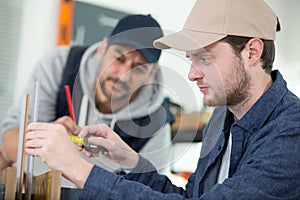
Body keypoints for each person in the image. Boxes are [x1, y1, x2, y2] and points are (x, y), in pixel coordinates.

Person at [24, 0, 300, 199]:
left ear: (252, 52)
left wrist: (79, 170)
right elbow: (190, 197)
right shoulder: (221, 117)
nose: (192, 75)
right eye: (192, 60)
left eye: (204, 58)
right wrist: (130, 161)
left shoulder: (291, 133)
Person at [0, 14, 173, 176]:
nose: (123, 75)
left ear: (152, 74)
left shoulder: (156, 124)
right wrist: (45, 136)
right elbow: (8, 146)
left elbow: (150, 191)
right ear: (102, 48)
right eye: (119, 58)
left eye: (138, 68)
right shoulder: (59, 65)